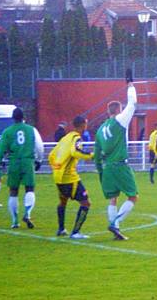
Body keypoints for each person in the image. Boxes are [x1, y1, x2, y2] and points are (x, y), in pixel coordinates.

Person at [94, 83, 139, 241]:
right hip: (120, 164)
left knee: (113, 198)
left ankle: (116, 229)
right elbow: (132, 103)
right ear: (119, 110)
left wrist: (101, 173)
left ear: (108, 112)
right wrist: (130, 86)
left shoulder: (100, 130)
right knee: (133, 196)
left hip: (107, 168)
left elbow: (97, 155)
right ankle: (115, 222)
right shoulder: (120, 121)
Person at [0, 108, 44, 229]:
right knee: (30, 188)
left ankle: (15, 221)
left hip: (14, 162)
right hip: (27, 161)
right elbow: (39, 146)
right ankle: (27, 214)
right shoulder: (31, 129)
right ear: (23, 117)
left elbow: (0, 150)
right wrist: (39, 160)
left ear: (13, 118)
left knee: (13, 191)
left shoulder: (8, 131)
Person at [49, 115, 94, 239]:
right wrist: (92, 155)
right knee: (86, 203)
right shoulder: (76, 138)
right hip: (70, 178)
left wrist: (57, 167)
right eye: (86, 124)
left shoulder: (65, 138)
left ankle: (61, 229)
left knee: (63, 202)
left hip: (58, 177)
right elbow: (75, 152)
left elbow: (51, 155)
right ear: (83, 124)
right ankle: (75, 232)